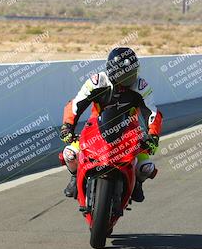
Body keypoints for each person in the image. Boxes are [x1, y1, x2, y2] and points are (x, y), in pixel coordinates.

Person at [60, 47, 163, 202]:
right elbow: (75, 105)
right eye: (127, 74)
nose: (132, 76)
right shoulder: (96, 82)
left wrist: (153, 135)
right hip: (95, 126)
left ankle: (137, 183)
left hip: (130, 129)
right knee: (70, 153)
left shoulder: (141, 86)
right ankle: (75, 176)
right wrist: (67, 126)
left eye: (133, 71)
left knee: (146, 167)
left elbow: (152, 113)